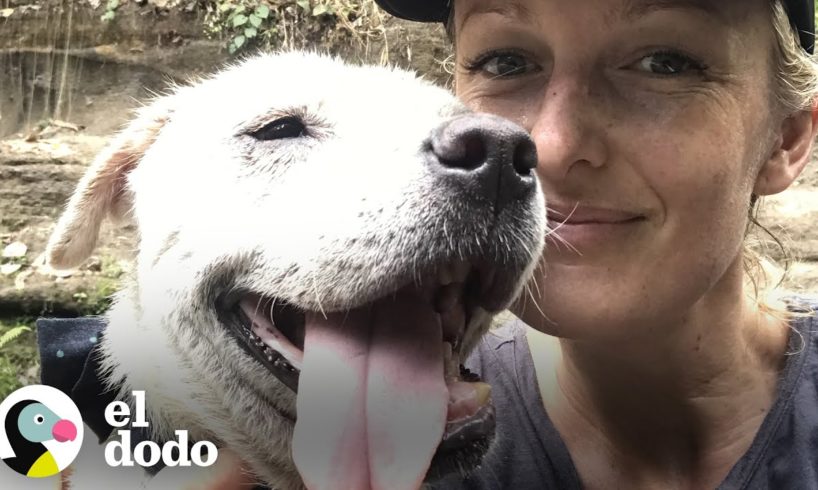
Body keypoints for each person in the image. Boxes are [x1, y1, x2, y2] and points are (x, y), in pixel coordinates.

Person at [372, 0, 818, 488]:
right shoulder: (387, 438)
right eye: (506, 62)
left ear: (786, 138)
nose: (555, 146)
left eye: (664, 63)